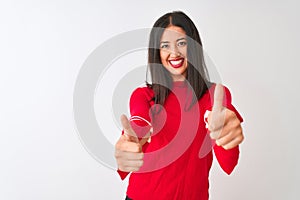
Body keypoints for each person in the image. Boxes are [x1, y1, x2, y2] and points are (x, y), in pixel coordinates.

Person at [114, 11, 244, 200]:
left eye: (181, 43)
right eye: (165, 45)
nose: (174, 53)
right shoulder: (144, 96)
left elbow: (229, 164)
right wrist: (130, 143)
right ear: (157, 52)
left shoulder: (214, 95)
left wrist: (226, 136)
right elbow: (138, 124)